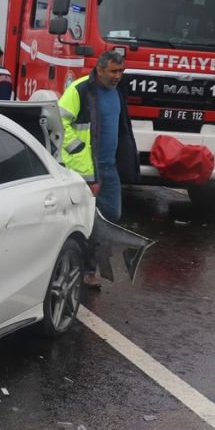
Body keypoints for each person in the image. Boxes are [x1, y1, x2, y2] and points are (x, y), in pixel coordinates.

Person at [59, 50, 139, 287]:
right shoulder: (81, 89)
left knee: (111, 216)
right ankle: (85, 269)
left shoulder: (118, 92)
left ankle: (86, 266)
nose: (118, 76)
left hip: (109, 168)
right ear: (100, 69)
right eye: (113, 71)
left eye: (121, 71)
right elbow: (59, 121)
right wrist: (77, 150)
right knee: (83, 220)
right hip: (83, 171)